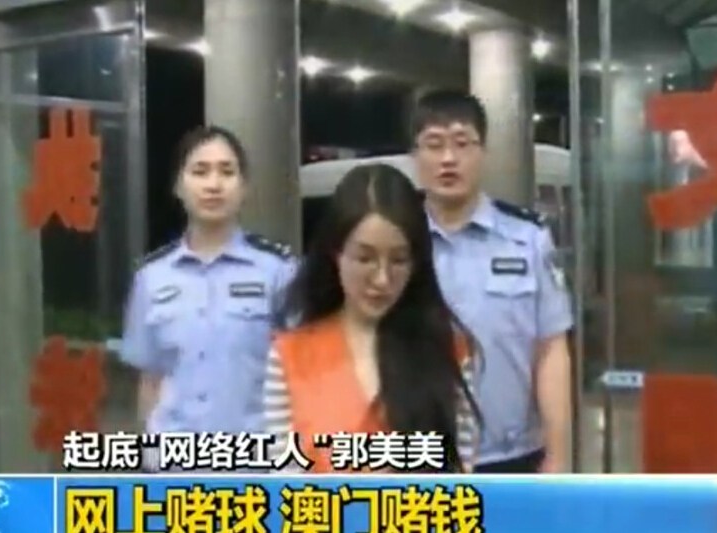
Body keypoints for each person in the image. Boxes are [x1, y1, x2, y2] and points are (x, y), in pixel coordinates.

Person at [263, 163, 482, 473]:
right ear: (336, 254)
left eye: (399, 260)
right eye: (365, 258)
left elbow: (460, 473)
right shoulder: (289, 356)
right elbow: (285, 474)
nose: (382, 279)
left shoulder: (450, 353)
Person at [410, 89, 573, 473]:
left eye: (462, 143)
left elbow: (551, 350)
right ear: (415, 156)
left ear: (483, 152)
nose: (448, 158)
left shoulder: (527, 238)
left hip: (514, 456)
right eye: (434, 145)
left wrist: (559, 455)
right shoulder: (397, 240)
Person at [120, 125, 295, 471]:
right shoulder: (152, 277)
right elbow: (150, 381)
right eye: (200, 171)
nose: (214, 184)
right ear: (178, 186)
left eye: (227, 172)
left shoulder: (278, 271)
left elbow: (300, 376)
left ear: (244, 186)